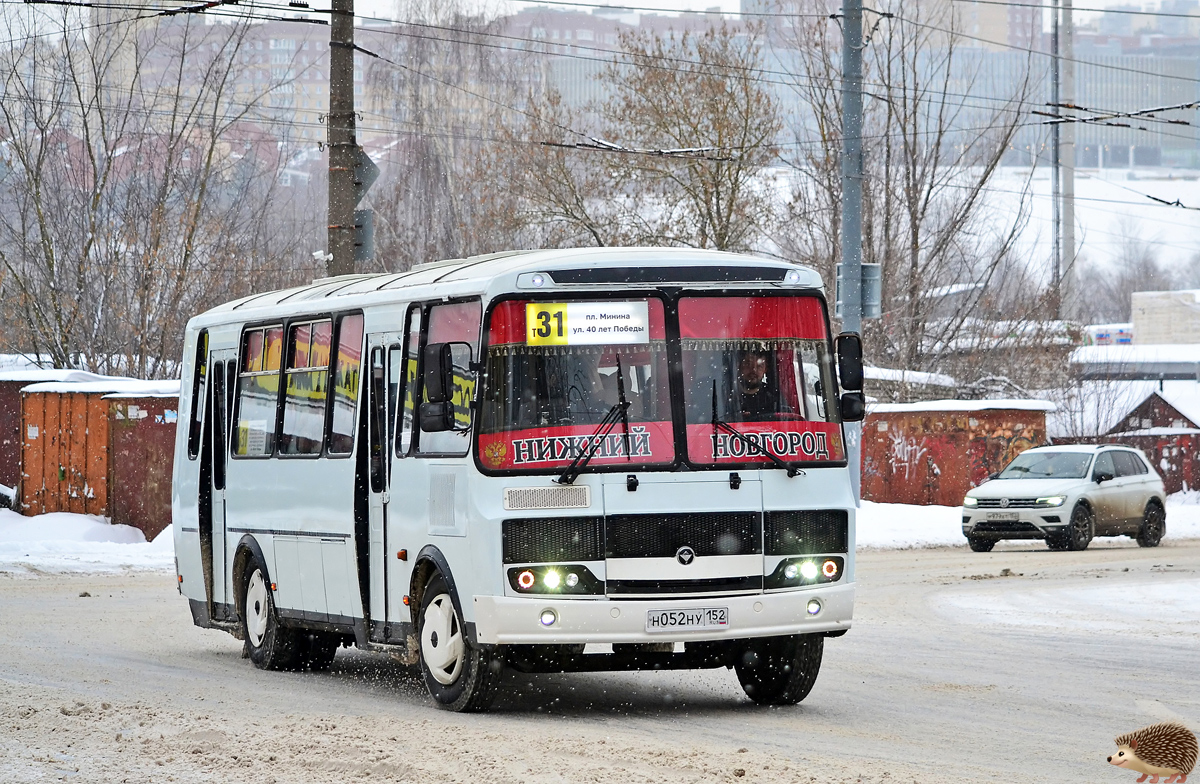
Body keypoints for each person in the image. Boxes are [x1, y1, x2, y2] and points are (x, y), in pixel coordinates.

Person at [732, 349, 778, 420]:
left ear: (765, 369)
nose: (754, 370)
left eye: (759, 366)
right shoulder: (729, 395)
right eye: (748, 364)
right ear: (739, 366)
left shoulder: (773, 397)